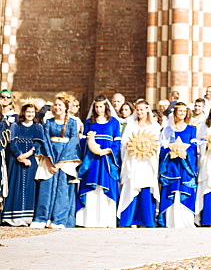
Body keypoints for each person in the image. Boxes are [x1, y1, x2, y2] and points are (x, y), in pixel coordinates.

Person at [31, 94, 81, 229]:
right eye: (56, 105)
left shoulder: (72, 122)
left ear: (65, 108)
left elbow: (73, 142)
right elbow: (45, 140)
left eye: (60, 105)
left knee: (62, 189)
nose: (57, 107)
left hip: (65, 159)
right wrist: (49, 160)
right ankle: (42, 218)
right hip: (51, 156)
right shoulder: (49, 122)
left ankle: (59, 219)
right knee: (46, 187)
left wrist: (61, 163)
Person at [76, 95, 121, 227]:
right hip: (92, 160)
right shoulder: (89, 122)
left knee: (106, 185)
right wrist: (89, 142)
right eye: (96, 106)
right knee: (91, 184)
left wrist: (107, 151)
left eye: (101, 106)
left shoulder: (113, 122)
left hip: (107, 159)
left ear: (106, 107)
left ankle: (106, 220)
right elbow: (83, 141)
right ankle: (89, 220)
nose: (98, 109)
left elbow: (117, 142)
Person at [118, 98, 161, 227]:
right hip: (133, 161)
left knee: (146, 187)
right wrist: (128, 146)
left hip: (148, 162)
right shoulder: (131, 125)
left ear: (147, 110)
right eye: (137, 110)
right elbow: (124, 141)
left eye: (142, 110)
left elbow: (157, 143)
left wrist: (151, 148)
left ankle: (146, 220)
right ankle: (130, 219)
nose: (140, 112)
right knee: (132, 186)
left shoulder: (154, 126)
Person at [1, 103, 42, 226]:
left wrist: (27, 155)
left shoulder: (37, 127)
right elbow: (11, 143)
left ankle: (27, 217)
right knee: (15, 185)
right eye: (28, 112)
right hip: (15, 160)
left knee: (30, 186)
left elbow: (38, 144)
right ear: (23, 112)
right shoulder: (15, 126)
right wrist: (20, 157)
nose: (30, 114)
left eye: (32, 112)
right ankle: (12, 217)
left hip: (31, 160)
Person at [158, 101, 198, 227]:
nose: (182, 113)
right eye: (179, 111)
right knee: (171, 188)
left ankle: (185, 220)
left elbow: (194, 146)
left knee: (184, 189)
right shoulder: (167, 130)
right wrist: (170, 151)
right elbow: (162, 146)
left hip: (185, 165)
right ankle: (171, 220)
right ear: (175, 112)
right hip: (172, 165)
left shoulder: (191, 129)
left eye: (184, 111)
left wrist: (186, 152)